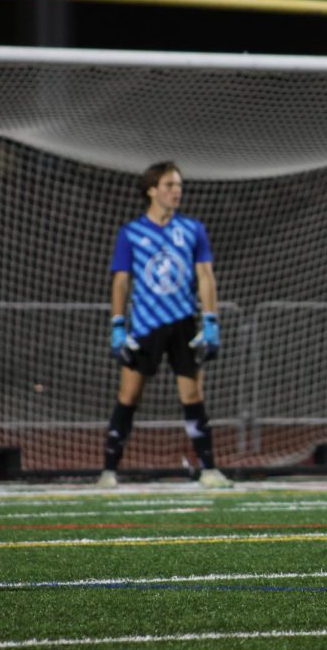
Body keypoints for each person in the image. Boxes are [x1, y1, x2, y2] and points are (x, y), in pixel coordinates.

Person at [99, 161, 232, 489]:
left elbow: (205, 276)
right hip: (145, 325)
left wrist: (211, 321)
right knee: (128, 395)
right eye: (170, 185)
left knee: (193, 394)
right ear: (152, 190)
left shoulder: (191, 229)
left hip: (184, 322)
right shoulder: (131, 233)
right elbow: (120, 281)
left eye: (179, 185)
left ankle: (209, 469)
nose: (177, 191)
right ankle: (108, 471)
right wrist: (118, 325)